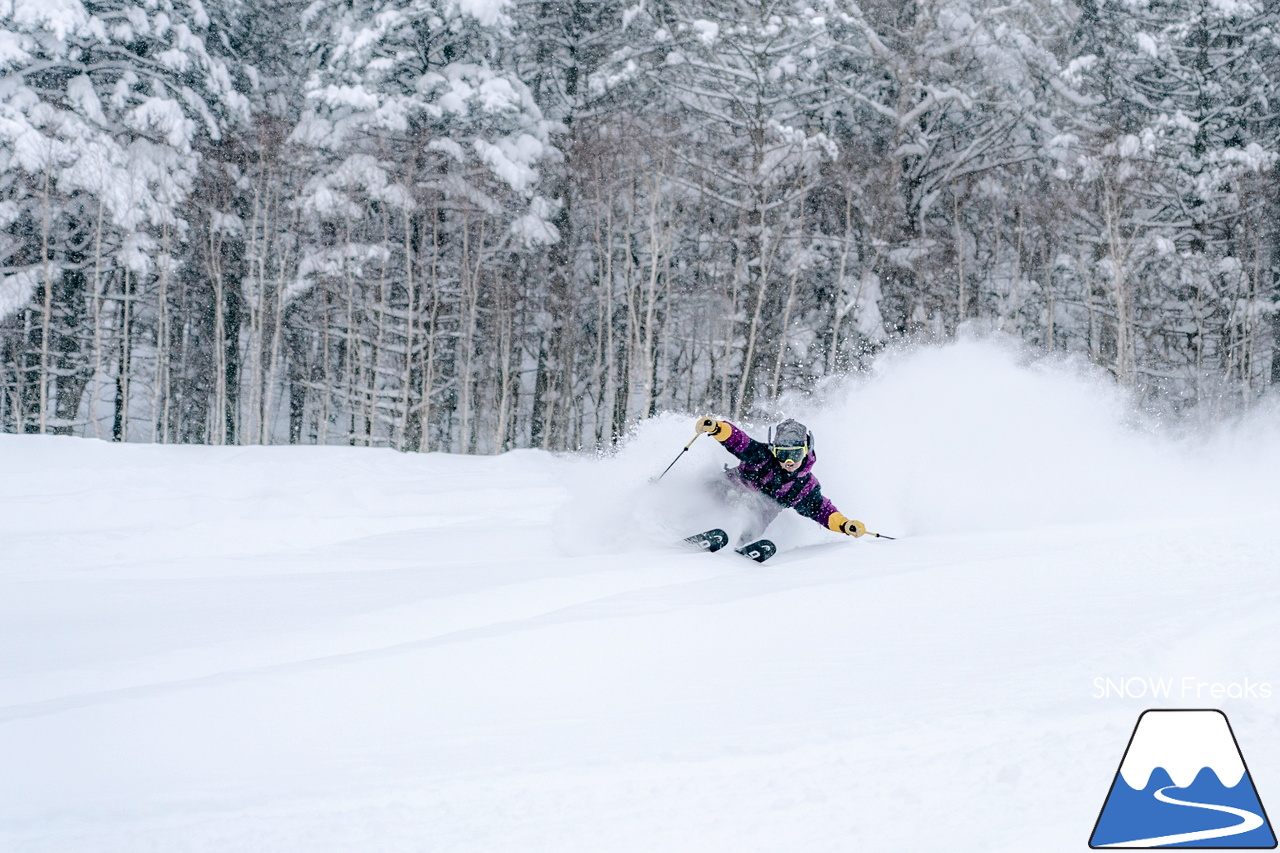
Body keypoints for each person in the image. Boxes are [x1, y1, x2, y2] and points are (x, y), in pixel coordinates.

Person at [695, 416, 866, 543]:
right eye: (782, 454)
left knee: (750, 523)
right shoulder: (760, 456)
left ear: (807, 450)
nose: (788, 461)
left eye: (795, 454)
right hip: (725, 490)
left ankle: (734, 545)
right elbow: (738, 440)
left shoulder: (803, 487)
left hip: (756, 516)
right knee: (704, 494)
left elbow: (821, 509)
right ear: (773, 449)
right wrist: (717, 428)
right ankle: (684, 524)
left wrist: (844, 524)